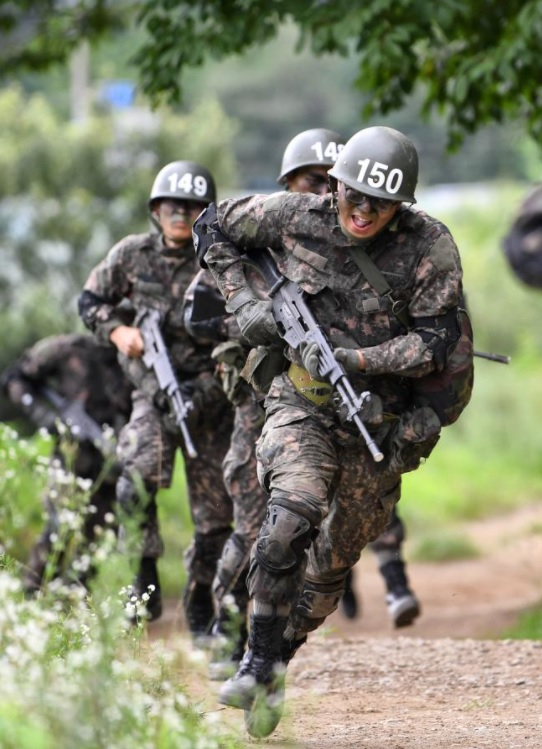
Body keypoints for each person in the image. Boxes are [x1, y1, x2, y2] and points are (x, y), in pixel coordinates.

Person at [194, 125, 468, 728]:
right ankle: (254, 659)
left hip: (379, 422)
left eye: (380, 203)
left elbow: (437, 342)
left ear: (401, 205)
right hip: (302, 402)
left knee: (330, 567)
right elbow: (211, 227)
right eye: (353, 196)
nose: (363, 212)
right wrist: (245, 306)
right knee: (290, 514)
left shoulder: (429, 247)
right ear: (336, 185)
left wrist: (356, 361)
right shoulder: (293, 215)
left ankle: (277, 661)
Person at [184, 128, 346, 678]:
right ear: (287, 183)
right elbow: (199, 314)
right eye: (311, 180)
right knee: (254, 522)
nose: (322, 192)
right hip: (256, 404)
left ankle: (261, 651)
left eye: (332, 182)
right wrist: (256, 314)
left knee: (307, 531)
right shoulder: (258, 239)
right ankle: (219, 630)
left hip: (318, 408)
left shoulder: (338, 246)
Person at [78, 160, 234, 631]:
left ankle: (200, 599)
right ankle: (142, 579)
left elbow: (244, 328)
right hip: (153, 394)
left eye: (190, 207)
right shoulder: (132, 254)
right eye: (171, 206)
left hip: (211, 396)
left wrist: (211, 383)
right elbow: (90, 301)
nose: (180, 214)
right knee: (133, 482)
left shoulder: (221, 260)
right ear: (155, 209)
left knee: (216, 518)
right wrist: (117, 330)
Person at [0, 333, 133, 595]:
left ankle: (75, 600)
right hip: (71, 458)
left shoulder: (130, 357)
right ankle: (32, 595)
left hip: (109, 462)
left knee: (96, 535)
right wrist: (49, 418)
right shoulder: (66, 349)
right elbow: (13, 380)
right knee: (58, 528)